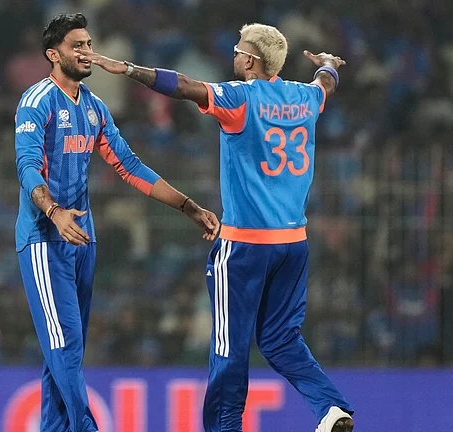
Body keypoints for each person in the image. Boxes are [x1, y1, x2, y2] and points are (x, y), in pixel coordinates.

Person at [77, 23, 355, 432]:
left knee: (230, 347)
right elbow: (326, 81)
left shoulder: (241, 98)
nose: (234, 54)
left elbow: (185, 87)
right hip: (294, 243)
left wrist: (129, 69)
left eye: (238, 49)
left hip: (244, 245)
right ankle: (331, 406)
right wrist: (329, 62)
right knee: (281, 339)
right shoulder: (305, 97)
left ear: (251, 60)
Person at [15, 13, 220, 432]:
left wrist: (187, 206)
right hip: (43, 238)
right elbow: (27, 166)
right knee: (64, 346)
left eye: (88, 43)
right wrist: (53, 212)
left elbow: (128, 166)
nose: (86, 51)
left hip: (81, 240)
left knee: (65, 352)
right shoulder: (37, 101)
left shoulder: (93, 107)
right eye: (76, 45)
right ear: (54, 55)